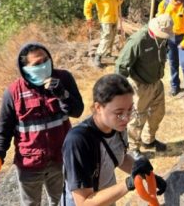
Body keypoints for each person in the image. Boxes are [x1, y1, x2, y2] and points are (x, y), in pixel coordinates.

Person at [0, 43, 84, 206]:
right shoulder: (13, 92)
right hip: (29, 163)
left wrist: (63, 95)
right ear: (25, 68)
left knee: (63, 201)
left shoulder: (63, 78)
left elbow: (77, 111)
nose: (43, 66)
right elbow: (3, 130)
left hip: (60, 158)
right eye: (37, 64)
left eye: (46, 60)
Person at [62, 74, 167, 206]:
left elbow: (119, 158)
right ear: (98, 108)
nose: (126, 118)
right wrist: (129, 183)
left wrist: (149, 176)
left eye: (130, 110)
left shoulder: (116, 126)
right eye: (119, 113)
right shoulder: (78, 141)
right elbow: (83, 202)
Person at [115, 14, 173, 159]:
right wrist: (121, 90)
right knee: (137, 118)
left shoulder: (163, 39)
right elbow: (121, 65)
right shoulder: (138, 40)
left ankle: (149, 140)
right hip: (139, 85)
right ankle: (132, 148)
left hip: (156, 83)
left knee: (158, 112)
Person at [84, 0, 124, 66]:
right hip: (105, 18)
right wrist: (88, 17)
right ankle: (98, 56)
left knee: (113, 36)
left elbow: (118, 3)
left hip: (114, 17)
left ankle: (107, 54)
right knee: (106, 36)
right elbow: (87, 3)